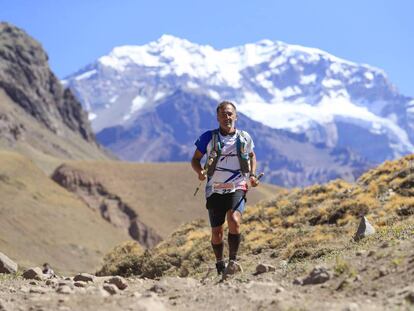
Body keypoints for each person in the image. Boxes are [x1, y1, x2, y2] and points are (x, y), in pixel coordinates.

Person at [191, 101, 259, 276]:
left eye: (230, 114)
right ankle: (219, 263)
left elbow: (251, 156)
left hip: (238, 185)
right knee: (217, 232)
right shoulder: (208, 137)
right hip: (215, 189)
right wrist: (200, 173)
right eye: (223, 114)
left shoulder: (244, 137)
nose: (227, 117)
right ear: (217, 117)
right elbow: (195, 159)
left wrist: (252, 175)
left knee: (234, 221)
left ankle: (233, 261)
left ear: (236, 116)